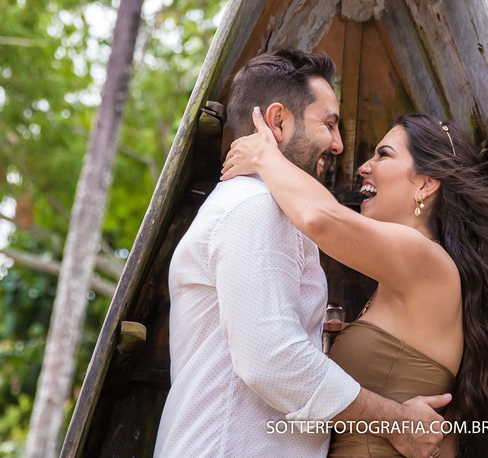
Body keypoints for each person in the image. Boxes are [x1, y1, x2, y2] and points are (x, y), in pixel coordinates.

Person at [222, 108, 488, 457]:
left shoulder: (424, 257)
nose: (364, 165)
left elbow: (318, 218)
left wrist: (266, 156)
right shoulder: (414, 274)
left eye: (384, 155)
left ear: (425, 183)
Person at [153, 49, 449, 458]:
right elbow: (272, 359)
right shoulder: (254, 206)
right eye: (328, 124)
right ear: (277, 121)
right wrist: (395, 420)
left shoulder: (258, 207)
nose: (340, 145)